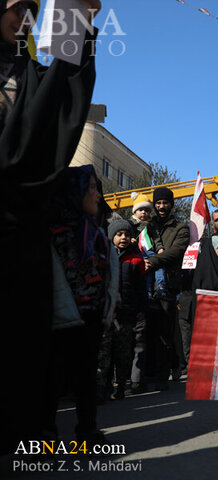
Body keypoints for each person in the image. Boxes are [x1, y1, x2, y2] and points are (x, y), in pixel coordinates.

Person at [0, 0, 100, 453]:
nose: (25, 19)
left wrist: (78, 15)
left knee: (23, 355)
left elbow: (67, 81)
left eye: (32, 11)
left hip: (20, 232)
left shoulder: (31, 74)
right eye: (16, 7)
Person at [43, 165, 117, 447]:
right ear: (74, 192)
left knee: (87, 375)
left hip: (92, 315)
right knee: (52, 377)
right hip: (60, 317)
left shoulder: (97, 234)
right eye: (91, 188)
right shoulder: (55, 232)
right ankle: (44, 437)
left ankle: (88, 432)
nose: (97, 195)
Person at [143, 186, 189, 389]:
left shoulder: (181, 227)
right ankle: (146, 374)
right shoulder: (147, 226)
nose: (161, 207)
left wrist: (151, 262)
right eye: (158, 203)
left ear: (171, 204)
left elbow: (176, 252)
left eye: (165, 203)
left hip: (168, 287)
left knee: (164, 332)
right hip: (144, 286)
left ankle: (163, 376)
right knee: (146, 332)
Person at [98, 219, 146, 401]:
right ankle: (103, 386)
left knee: (124, 352)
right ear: (112, 237)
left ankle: (121, 385)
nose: (123, 237)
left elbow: (141, 290)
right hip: (107, 314)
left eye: (127, 234)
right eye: (119, 234)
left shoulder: (136, 260)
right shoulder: (103, 258)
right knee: (105, 352)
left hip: (126, 315)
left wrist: (139, 310)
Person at [129, 191, 168, 299]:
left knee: (159, 266)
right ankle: (148, 292)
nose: (144, 213)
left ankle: (161, 287)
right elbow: (126, 236)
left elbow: (156, 239)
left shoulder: (151, 225)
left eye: (147, 210)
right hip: (138, 253)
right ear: (135, 211)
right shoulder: (131, 224)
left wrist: (160, 248)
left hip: (150, 252)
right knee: (147, 275)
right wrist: (130, 240)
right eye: (141, 210)